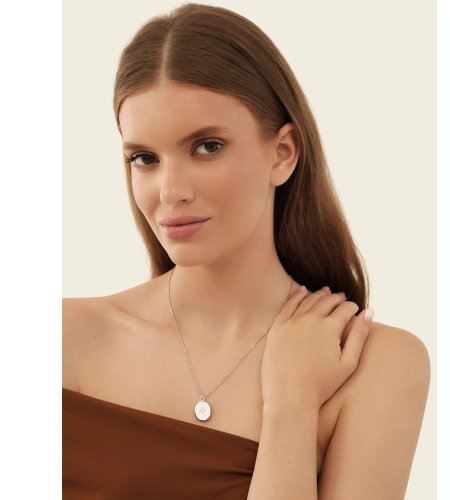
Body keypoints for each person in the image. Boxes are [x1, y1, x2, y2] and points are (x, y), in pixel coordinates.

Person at [62, 3, 430, 499]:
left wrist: (291, 402)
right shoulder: (58, 339)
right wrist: (292, 404)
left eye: (206, 147)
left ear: (283, 153)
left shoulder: (373, 363)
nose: (170, 191)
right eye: (144, 158)